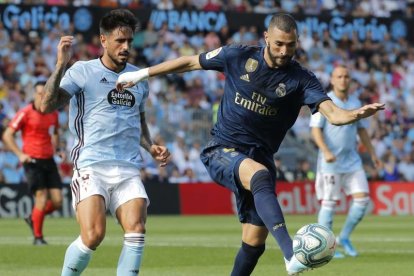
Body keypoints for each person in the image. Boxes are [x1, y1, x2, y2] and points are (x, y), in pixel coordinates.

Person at [117, 13, 384, 275]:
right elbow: (189, 63)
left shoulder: (301, 79)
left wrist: (352, 115)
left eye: (290, 45)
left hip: (261, 156)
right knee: (260, 176)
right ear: (266, 37)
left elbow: (333, 113)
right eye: (278, 44)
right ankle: (291, 255)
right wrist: (142, 74)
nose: (284, 51)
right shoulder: (237, 55)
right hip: (221, 149)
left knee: (254, 242)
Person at [40, 9, 170, 275]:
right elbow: (46, 105)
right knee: (93, 236)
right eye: (120, 41)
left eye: (130, 42)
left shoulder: (138, 77)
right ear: (103, 40)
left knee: (137, 230)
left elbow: (139, 118)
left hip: (128, 167)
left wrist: (150, 145)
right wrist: (60, 65)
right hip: (91, 165)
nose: (125, 47)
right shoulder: (83, 71)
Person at [310, 65, 382, 258]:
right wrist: (325, 151)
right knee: (330, 203)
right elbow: (315, 130)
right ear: (332, 80)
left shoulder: (355, 101)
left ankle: (344, 237)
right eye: (339, 76)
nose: (343, 79)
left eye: (346, 76)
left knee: (362, 200)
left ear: (350, 80)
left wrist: (373, 153)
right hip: (330, 162)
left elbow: (362, 130)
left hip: (352, 161)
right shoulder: (324, 102)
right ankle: (326, 246)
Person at [2, 81, 63, 245]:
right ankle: (38, 237)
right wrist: (20, 154)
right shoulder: (25, 112)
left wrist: (57, 149)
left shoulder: (53, 113)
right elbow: (7, 135)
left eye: (47, 93)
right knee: (41, 198)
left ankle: (33, 217)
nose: (44, 96)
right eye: (40, 93)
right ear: (34, 95)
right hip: (32, 161)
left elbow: (55, 132)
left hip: (49, 160)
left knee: (57, 202)